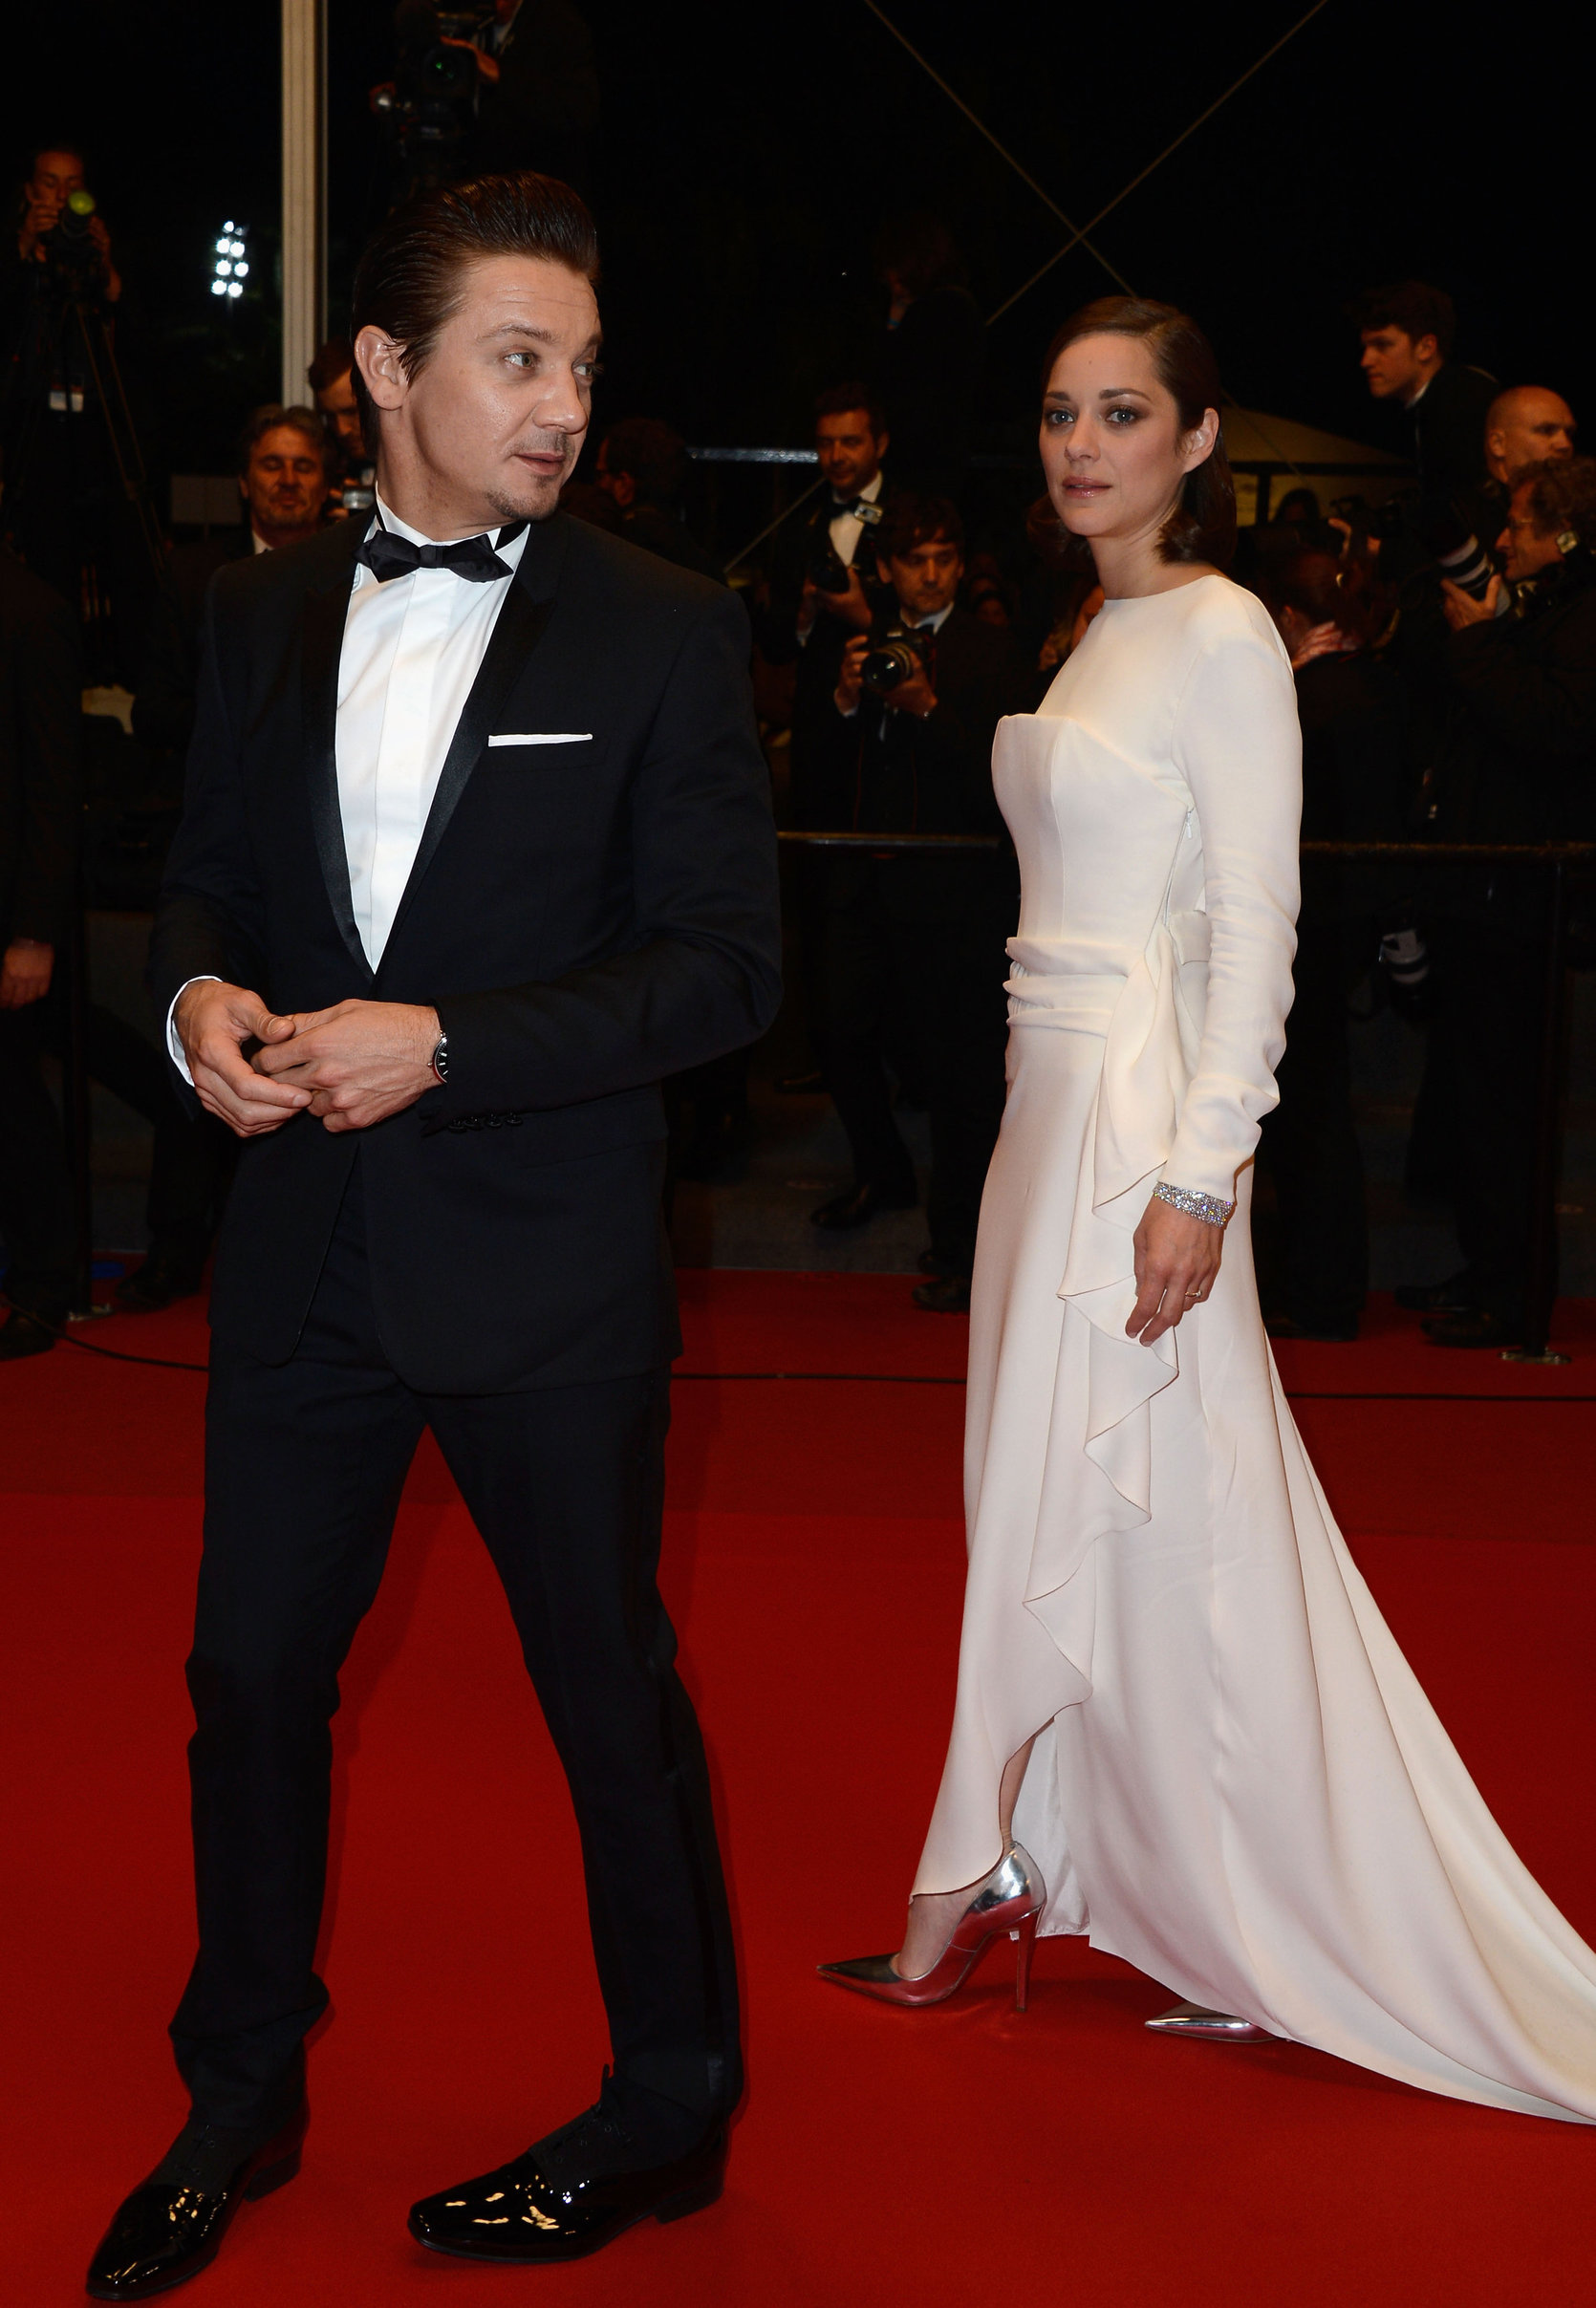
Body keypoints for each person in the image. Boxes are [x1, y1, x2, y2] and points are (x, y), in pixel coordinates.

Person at [86, 170, 780, 2299]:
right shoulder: (263, 603)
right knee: (251, 1677)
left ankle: (666, 2105)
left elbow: (727, 969)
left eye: (577, 362)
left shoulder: (661, 619)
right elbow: (205, 873)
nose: (561, 401)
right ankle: (239, 2085)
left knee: (603, 1696)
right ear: (382, 370)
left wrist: (450, 1043)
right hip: (303, 1251)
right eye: (515, 356)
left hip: (546, 1268)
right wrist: (195, 993)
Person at [819, 296, 1596, 2126]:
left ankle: (978, 1872)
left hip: (1135, 1126)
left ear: (1197, 439)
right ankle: (1164, 1884)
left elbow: (1259, 922)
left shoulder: (1228, 630)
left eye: (1123, 414)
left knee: (1096, 1494)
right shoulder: (1098, 626)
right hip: (1043, 1109)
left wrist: (1200, 1174)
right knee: (1114, 1504)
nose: (1082, 444)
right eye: (1060, 414)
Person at [1396, 454, 1596, 1348]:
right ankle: (1487, 1271)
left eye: (1518, 525)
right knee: (1479, 1103)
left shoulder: (1583, 618)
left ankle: (1513, 1294)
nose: (1503, 541)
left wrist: (1481, 642)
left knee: (1510, 1107)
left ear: (1565, 534)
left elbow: (1555, 730)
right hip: (1484, 887)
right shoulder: (1545, 610)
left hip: (1527, 897)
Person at [809, 494, 1024, 1305]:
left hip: (956, 892)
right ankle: (884, 1174)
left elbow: (998, 786)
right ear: (889, 569)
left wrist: (927, 709)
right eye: (916, 560)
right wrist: (841, 698)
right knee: (836, 1028)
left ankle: (964, 1250)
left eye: (944, 559)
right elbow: (815, 773)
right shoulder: (857, 649)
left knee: (964, 1078)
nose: (931, 575)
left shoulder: (992, 650)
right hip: (864, 881)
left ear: (960, 566)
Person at [1251, 543, 1413, 1342]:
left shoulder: (1304, 701)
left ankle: (1317, 1292)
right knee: (1317, 1113)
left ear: (1288, 616)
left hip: (1307, 929)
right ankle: (1322, 1288)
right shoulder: (1379, 685)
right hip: (1352, 923)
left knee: (1305, 1118)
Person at [133, 406, 330, 760]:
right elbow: (152, 711)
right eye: (271, 465)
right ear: (243, 482)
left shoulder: (355, 572)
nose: (288, 479)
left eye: (303, 466)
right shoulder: (194, 574)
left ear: (325, 485)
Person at [871, 213, 984, 500]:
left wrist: (896, 320)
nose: (890, 279)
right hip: (941, 458)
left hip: (923, 462)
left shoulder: (939, 310)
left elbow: (893, 378)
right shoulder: (956, 304)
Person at [1354, 279, 1496, 508]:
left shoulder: (1460, 401)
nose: (1366, 361)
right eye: (1366, 347)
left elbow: (1469, 511)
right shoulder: (1442, 399)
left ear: (1426, 347)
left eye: (1382, 345)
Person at [595, 417, 723, 582]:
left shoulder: (626, 543)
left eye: (600, 474)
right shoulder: (683, 540)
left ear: (624, 483)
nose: (597, 485)